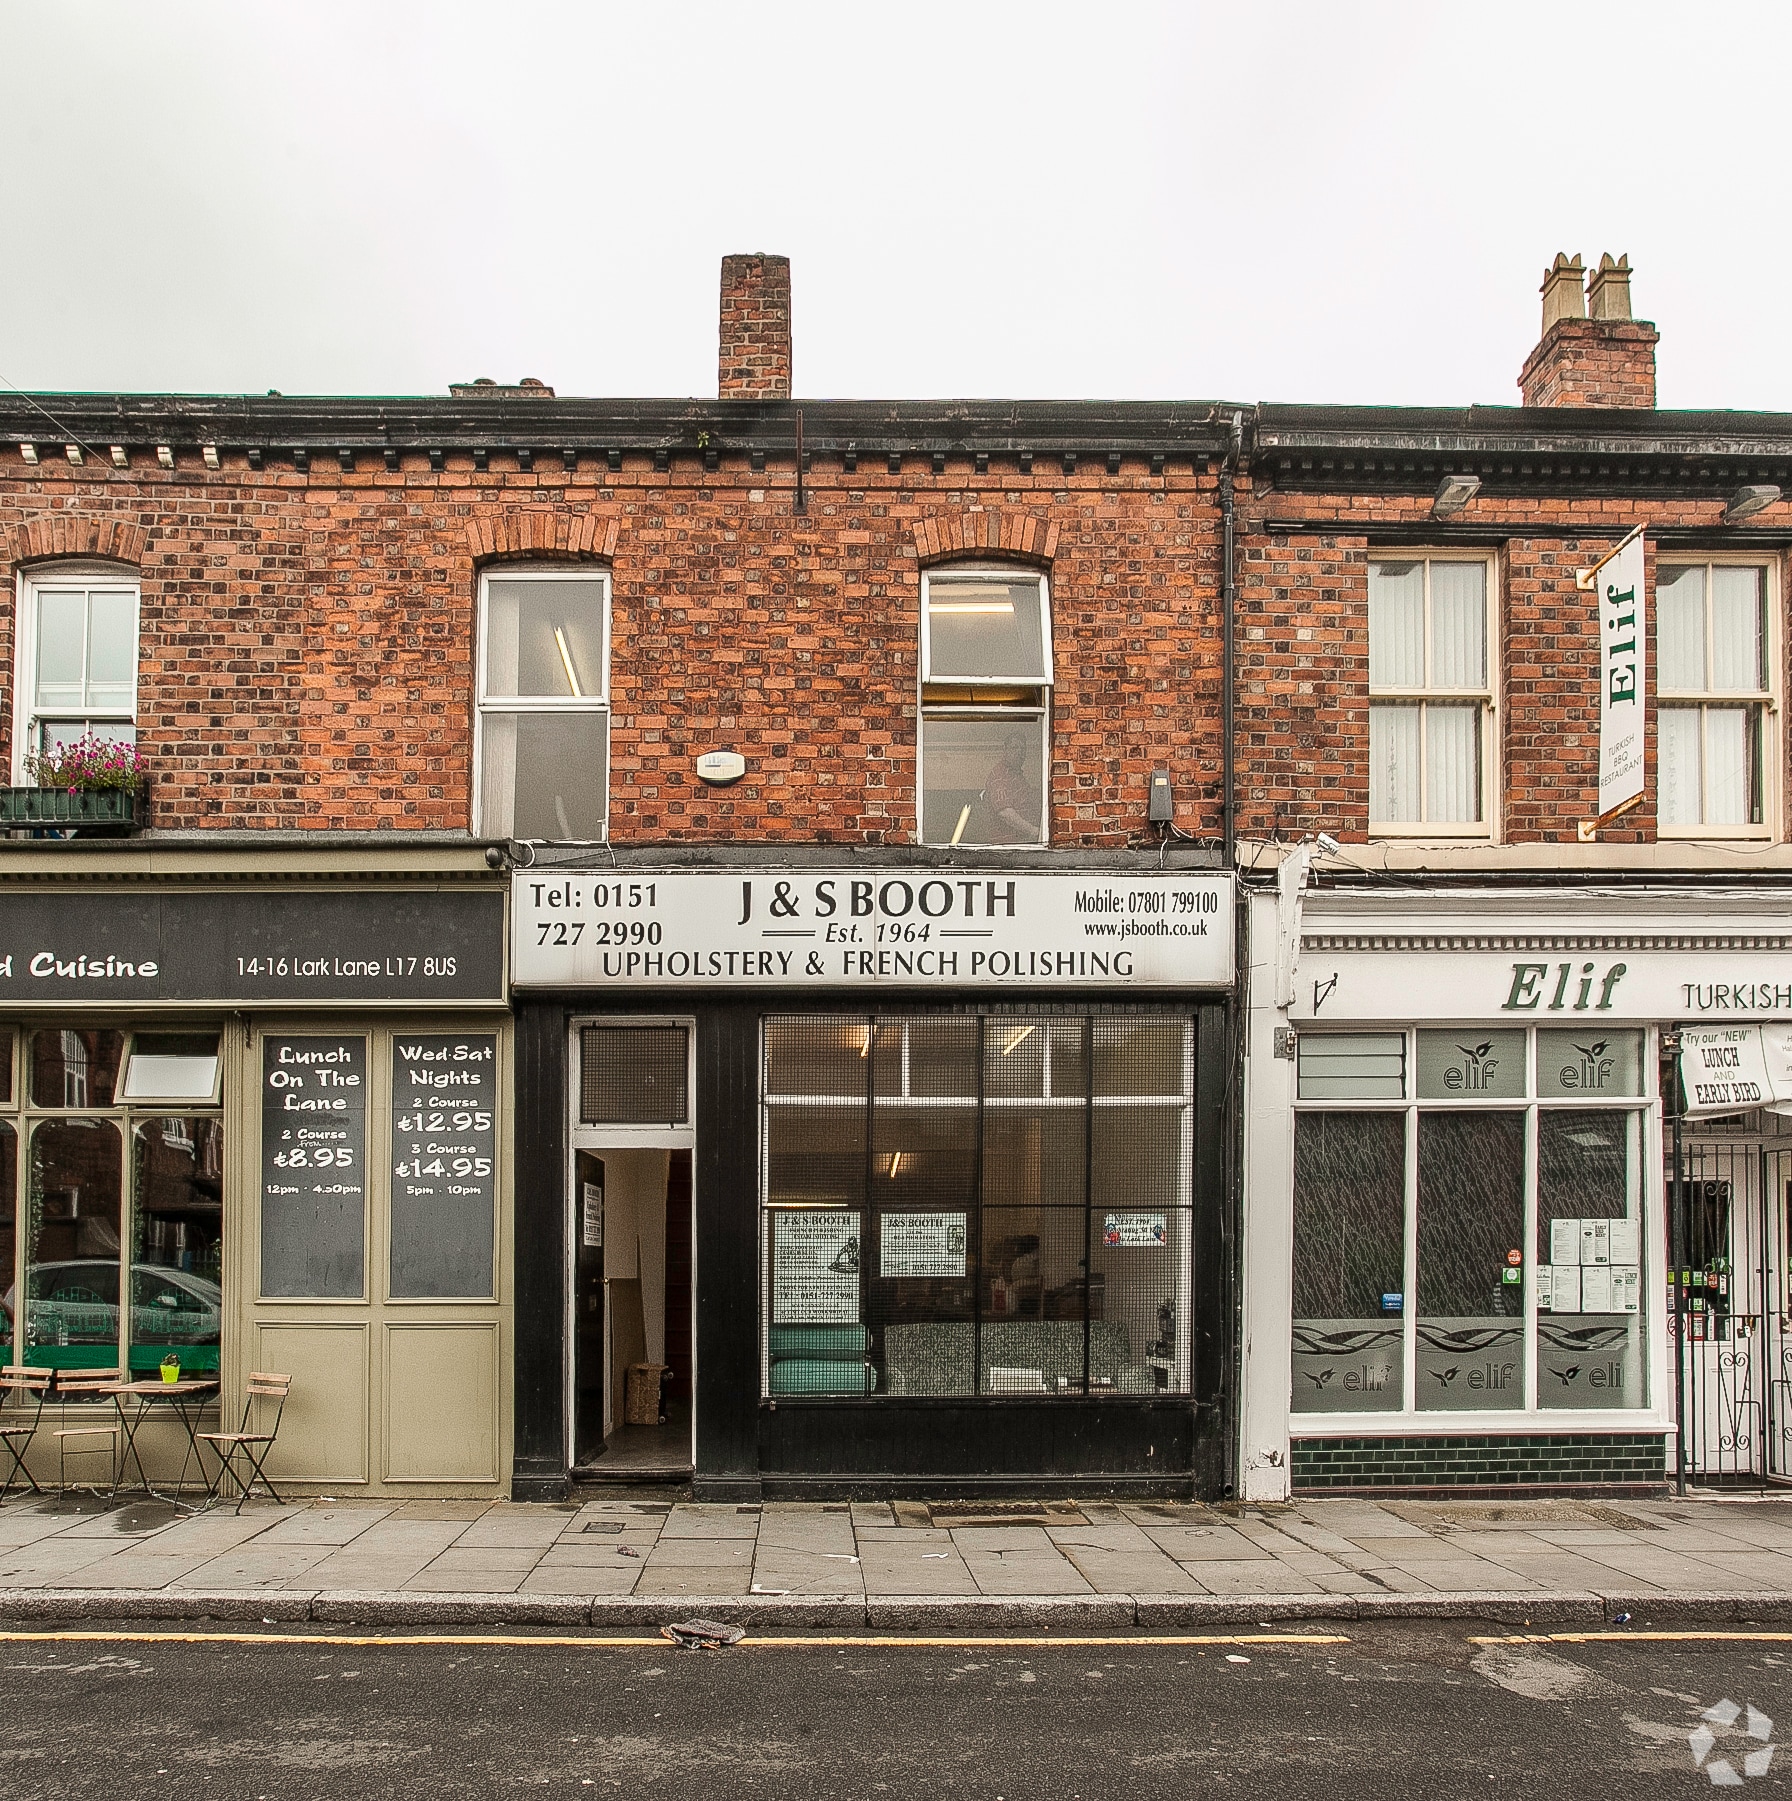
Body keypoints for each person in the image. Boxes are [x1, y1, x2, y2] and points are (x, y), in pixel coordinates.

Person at [980, 733, 1040, 842]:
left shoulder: (1017, 776)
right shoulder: (1000, 775)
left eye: (1023, 748)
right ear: (1005, 750)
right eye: (1014, 747)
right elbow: (1004, 812)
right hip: (1009, 846)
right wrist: (1033, 831)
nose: (1019, 752)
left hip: (1021, 844)